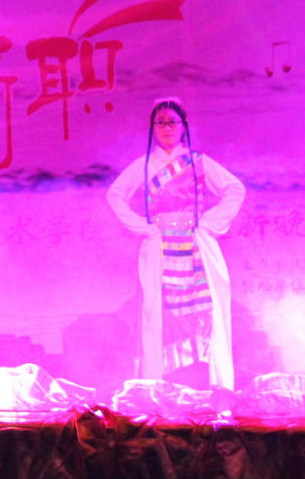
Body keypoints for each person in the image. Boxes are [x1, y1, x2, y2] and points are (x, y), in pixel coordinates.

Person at [106, 97, 245, 389]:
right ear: (153, 128)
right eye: (161, 122)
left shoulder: (197, 162)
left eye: (172, 122)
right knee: (158, 313)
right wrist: (143, 228)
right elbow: (115, 195)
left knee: (204, 311)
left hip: (194, 246)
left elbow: (234, 188)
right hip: (160, 247)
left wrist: (208, 224)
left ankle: (207, 384)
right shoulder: (144, 165)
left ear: (183, 126)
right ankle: (158, 386)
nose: (167, 127)